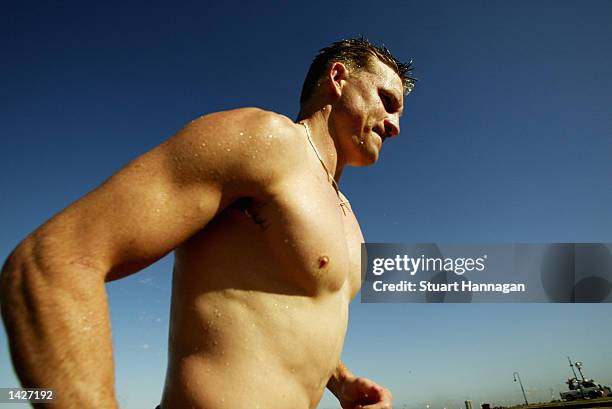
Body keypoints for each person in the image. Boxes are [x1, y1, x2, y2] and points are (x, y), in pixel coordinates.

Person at [0, 37, 415, 409]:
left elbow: (288, 313)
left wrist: (340, 382)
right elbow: (52, 261)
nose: (396, 125)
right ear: (338, 78)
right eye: (387, 100)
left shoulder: (347, 216)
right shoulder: (267, 141)